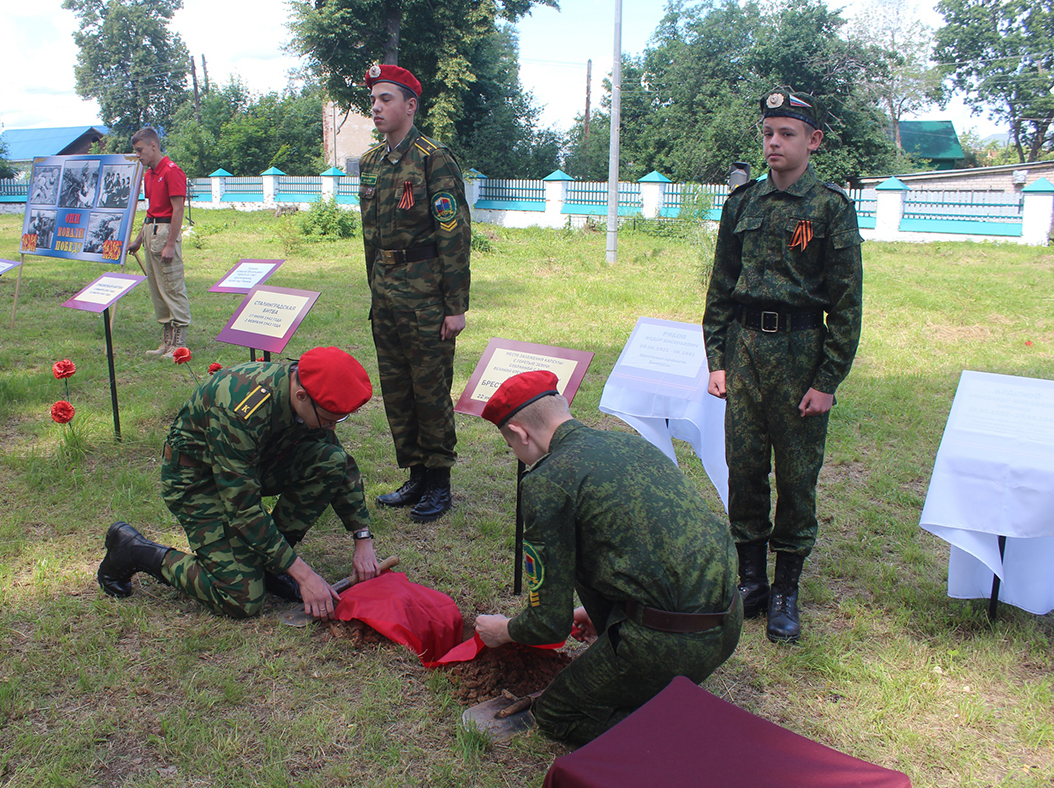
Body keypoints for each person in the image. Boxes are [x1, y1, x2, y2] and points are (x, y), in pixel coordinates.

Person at [473, 371, 741, 746]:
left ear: (520, 433)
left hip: (671, 646)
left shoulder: (547, 482)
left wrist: (503, 631)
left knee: (557, 714)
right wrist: (607, 613)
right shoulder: (630, 444)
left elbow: (548, 624)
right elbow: (647, 546)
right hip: (727, 623)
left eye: (510, 444)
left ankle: (682, 733)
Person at [702, 88, 863, 644]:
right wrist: (716, 359)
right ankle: (751, 581)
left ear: (812, 141)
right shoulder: (742, 204)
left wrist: (827, 380)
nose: (774, 142)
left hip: (800, 352)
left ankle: (786, 589)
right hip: (744, 349)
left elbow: (846, 303)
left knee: (796, 477)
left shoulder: (831, 209)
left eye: (786, 133)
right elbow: (720, 289)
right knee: (743, 467)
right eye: (768, 132)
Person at [97, 347, 380, 621]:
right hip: (197, 480)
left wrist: (362, 537)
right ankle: (134, 550)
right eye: (330, 419)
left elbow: (340, 463)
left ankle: (272, 564)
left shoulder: (304, 395)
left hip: (249, 466)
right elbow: (243, 508)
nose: (332, 427)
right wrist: (305, 575)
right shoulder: (239, 409)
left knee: (330, 460)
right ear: (301, 395)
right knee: (242, 597)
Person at [359, 64, 471, 523]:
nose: (377, 107)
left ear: (410, 105)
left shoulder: (432, 159)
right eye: (374, 100)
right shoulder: (371, 163)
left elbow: (454, 235)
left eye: (387, 99)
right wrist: (374, 291)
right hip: (386, 295)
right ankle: (415, 474)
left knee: (430, 389)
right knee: (397, 389)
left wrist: (456, 306)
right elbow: (369, 237)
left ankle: (439, 481)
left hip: (426, 296)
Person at [128, 127, 191, 358]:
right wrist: (137, 239)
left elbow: (177, 209)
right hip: (150, 232)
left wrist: (171, 244)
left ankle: (179, 343)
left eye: (140, 150)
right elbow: (150, 211)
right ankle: (167, 340)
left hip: (166, 232)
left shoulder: (172, 171)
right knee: (157, 288)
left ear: (153, 146)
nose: (138, 155)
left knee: (172, 286)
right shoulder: (149, 175)